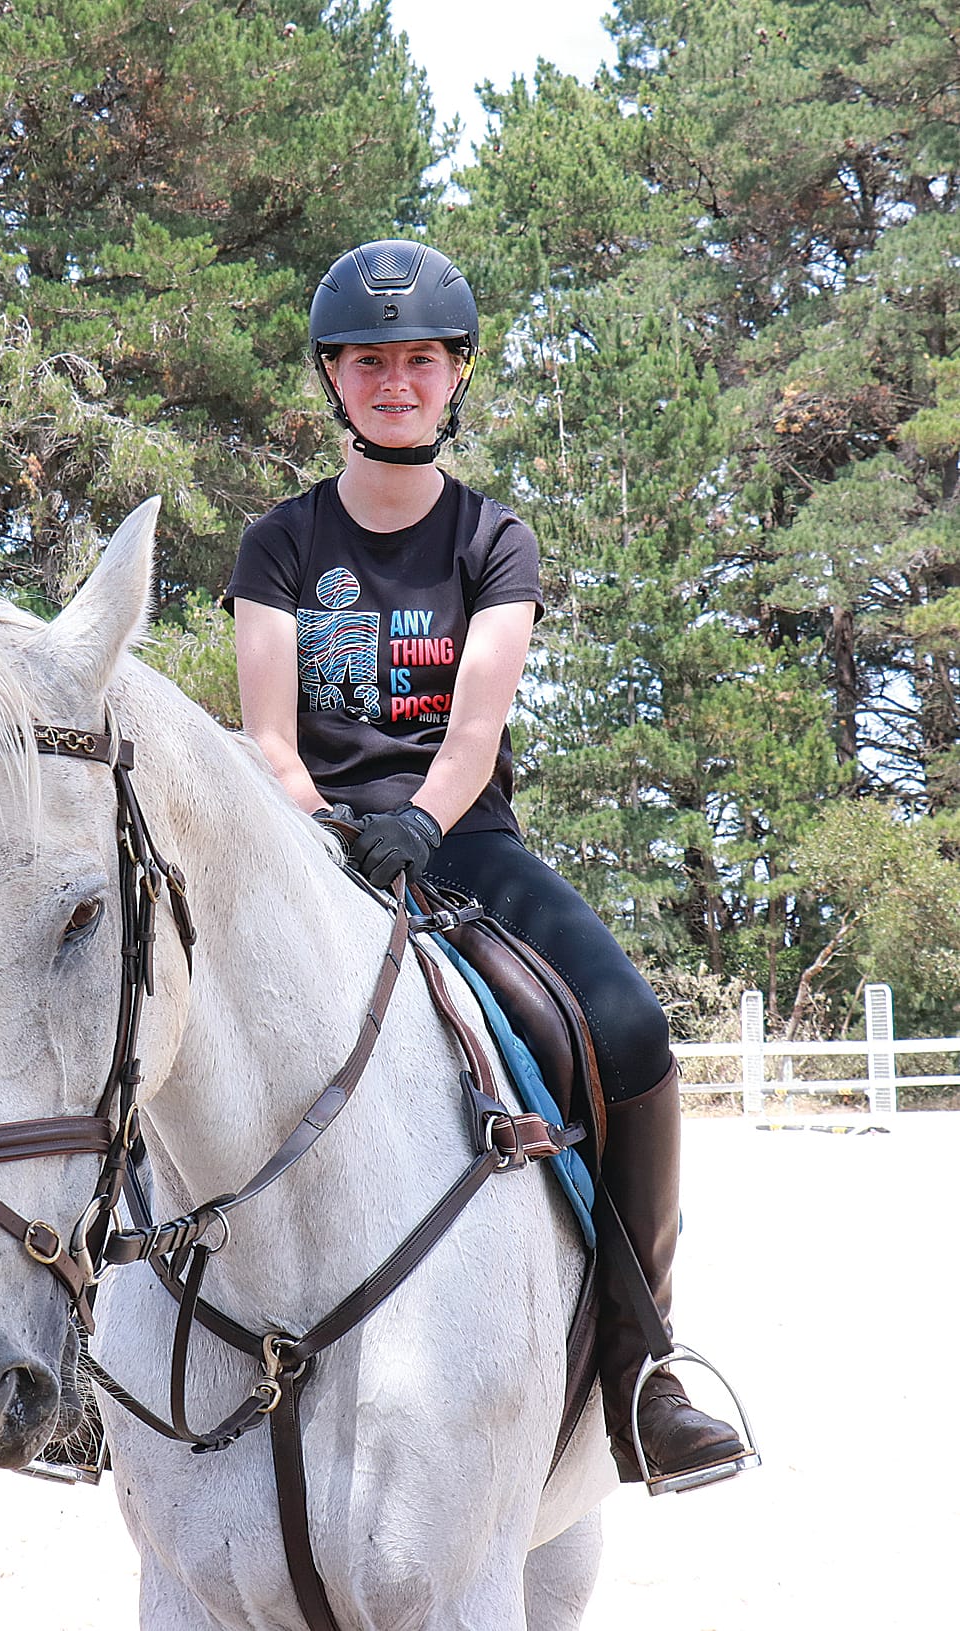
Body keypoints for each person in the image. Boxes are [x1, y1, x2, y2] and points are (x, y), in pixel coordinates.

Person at [224, 238, 751, 1489]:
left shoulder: (491, 538)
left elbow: (472, 732)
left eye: (419, 359)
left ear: (456, 373)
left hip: (464, 838)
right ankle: (91, 1364)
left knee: (628, 1029)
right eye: (368, 360)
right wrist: (330, 833)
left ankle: (641, 1362)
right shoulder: (279, 542)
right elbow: (264, 736)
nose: (394, 380)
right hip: (302, 841)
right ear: (332, 379)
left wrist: (418, 822)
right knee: (159, 1015)